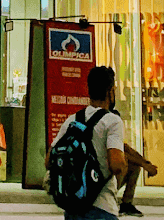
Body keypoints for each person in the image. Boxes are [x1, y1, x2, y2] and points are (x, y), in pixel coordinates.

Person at [49, 65, 127, 220]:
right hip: (102, 208)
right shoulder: (112, 121)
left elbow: (48, 160)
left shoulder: (72, 120)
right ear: (110, 91)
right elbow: (117, 164)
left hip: (73, 208)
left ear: (88, 90)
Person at [105, 91, 158, 216]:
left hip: (110, 176)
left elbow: (127, 149)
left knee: (134, 166)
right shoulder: (106, 133)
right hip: (101, 177)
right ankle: (109, 198)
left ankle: (126, 204)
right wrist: (145, 166)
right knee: (123, 162)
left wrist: (145, 163)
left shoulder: (116, 135)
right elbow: (123, 155)